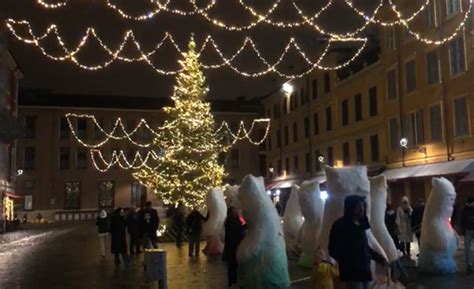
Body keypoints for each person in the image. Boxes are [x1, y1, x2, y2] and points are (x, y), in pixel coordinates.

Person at [329, 195, 387, 289]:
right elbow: (333, 249)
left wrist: (379, 258)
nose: (362, 209)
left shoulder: (360, 225)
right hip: (352, 273)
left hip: (364, 270)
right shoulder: (340, 225)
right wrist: (348, 263)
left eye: (363, 206)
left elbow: (364, 247)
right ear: (350, 207)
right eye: (358, 206)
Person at [223, 206, 246, 287]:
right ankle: (233, 280)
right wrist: (246, 225)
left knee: (232, 263)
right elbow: (238, 229)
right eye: (235, 211)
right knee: (233, 263)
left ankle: (232, 279)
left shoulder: (231, 220)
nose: (236, 212)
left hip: (232, 244)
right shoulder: (231, 221)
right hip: (233, 245)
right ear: (231, 213)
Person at [461, 197, 474, 273]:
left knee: (468, 249)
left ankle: (469, 264)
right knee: (467, 249)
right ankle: (469, 264)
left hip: (469, 229)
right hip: (468, 230)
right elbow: (462, 220)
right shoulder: (465, 210)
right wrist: (463, 230)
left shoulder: (465, 209)